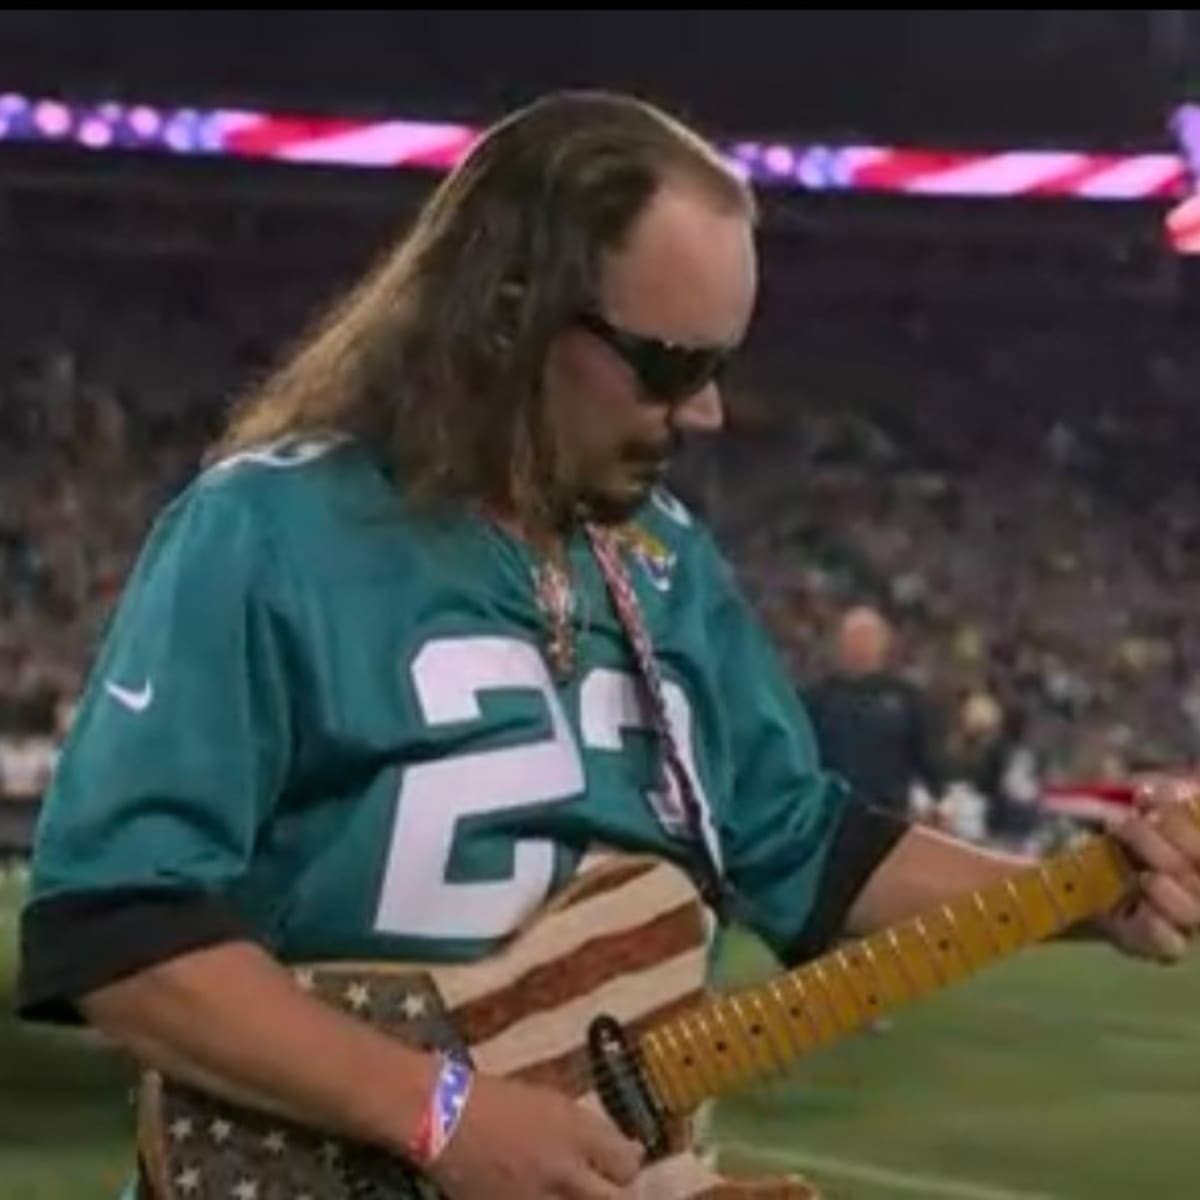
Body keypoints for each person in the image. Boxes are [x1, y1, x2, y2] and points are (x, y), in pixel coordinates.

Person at [17, 92, 1200, 1200]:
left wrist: (1074, 898)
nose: (705, 414)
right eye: (668, 366)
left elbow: (803, 848)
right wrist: (441, 1110)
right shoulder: (269, 532)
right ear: (504, 312)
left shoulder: (668, 565)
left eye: (718, 369)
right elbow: (118, 924)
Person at [805, 605, 946, 822]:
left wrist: (939, 799)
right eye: (853, 638)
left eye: (867, 638)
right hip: (832, 817)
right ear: (841, 643)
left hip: (888, 816)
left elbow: (927, 758)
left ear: (883, 644)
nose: (860, 646)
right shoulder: (818, 697)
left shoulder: (906, 698)